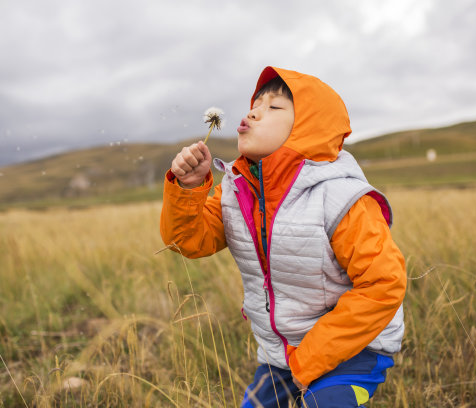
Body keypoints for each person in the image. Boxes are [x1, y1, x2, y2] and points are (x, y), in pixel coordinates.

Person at [160, 66, 406, 408]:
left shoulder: (343, 198)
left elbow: (383, 284)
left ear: (306, 129)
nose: (253, 112)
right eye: (255, 104)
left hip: (352, 349)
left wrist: (310, 359)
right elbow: (187, 241)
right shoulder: (235, 189)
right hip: (281, 353)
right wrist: (189, 188)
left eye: (274, 107)